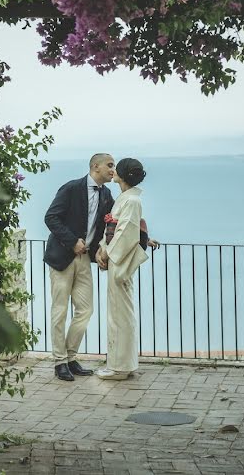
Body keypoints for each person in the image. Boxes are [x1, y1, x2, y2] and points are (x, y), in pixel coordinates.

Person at [44, 153, 115, 381]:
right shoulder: (71, 188)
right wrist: (72, 241)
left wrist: (144, 238)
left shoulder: (107, 194)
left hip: (85, 259)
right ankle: (59, 362)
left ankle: (71, 357)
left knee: (85, 310)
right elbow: (51, 217)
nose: (113, 170)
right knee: (60, 311)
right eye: (110, 165)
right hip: (62, 257)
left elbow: (116, 222)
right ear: (96, 166)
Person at [95, 158, 153, 380]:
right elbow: (115, 230)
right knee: (119, 313)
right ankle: (122, 363)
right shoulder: (127, 198)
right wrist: (102, 248)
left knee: (120, 314)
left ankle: (119, 367)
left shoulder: (131, 201)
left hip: (120, 263)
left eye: (116, 168)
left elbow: (124, 232)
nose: (113, 171)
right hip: (117, 259)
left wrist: (106, 252)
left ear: (122, 175)